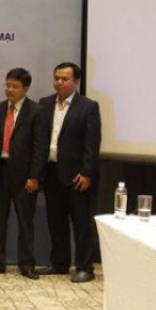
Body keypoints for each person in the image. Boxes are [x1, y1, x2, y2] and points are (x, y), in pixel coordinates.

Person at [37, 62, 101, 283]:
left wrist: (87, 172)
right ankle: (60, 263)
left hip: (77, 176)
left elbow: (92, 144)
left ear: (76, 82)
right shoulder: (45, 104)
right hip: (51, 172)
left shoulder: (88, 107)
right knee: (56, 222)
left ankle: (85, 267)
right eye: (57, 78)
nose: (59, 82)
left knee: (81, 224)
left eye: (65, 79)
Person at [0, 68, 47, 280]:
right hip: (0, 172)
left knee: (25, 221)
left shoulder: (36, 111)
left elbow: (40, 148)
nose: (10, 90)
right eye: (8, 85)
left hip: (24, 176)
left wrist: (34, 176)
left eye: (15, 86)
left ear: (26, 88)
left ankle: (26, 264)